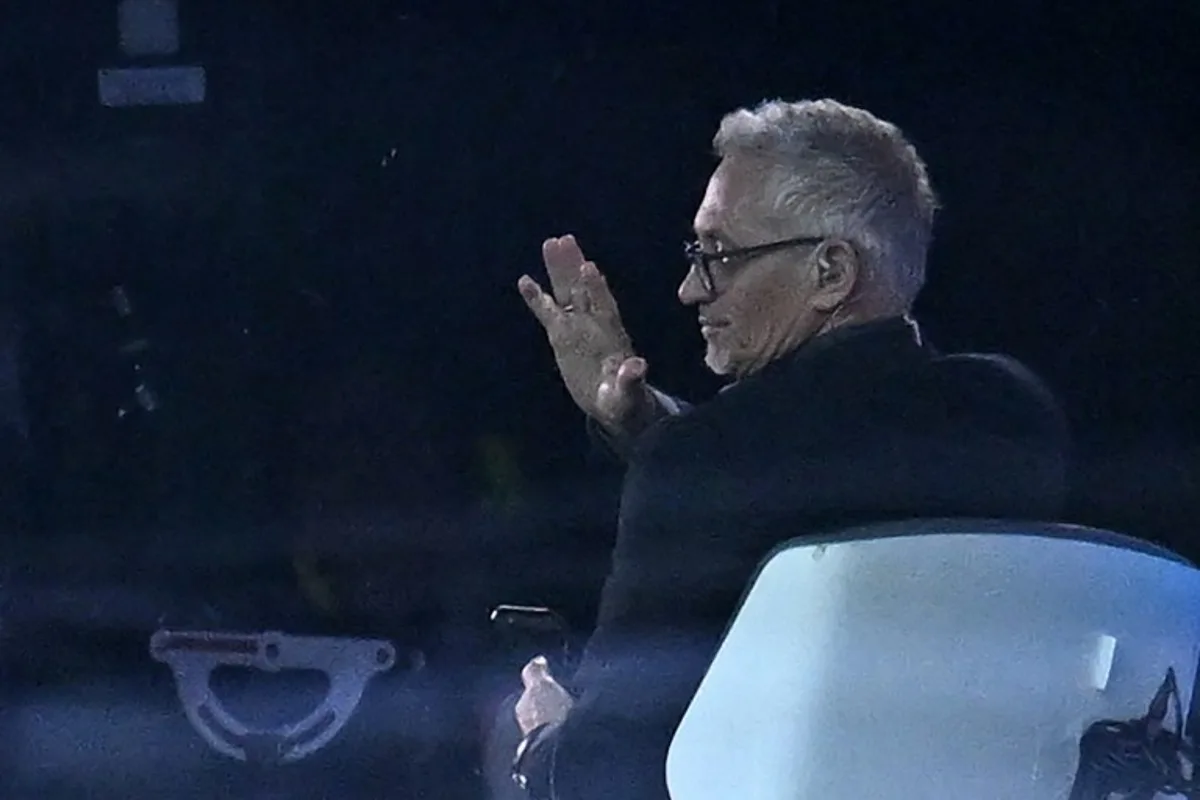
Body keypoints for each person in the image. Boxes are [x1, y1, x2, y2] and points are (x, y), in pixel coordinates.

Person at [497, 98, 1070, 800]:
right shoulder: (1017, 421)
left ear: (831, 273)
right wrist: (650, 427)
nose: (689, 290)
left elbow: (606, 774)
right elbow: (827, 465)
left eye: (719, 256)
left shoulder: (708, 464)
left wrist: (543, 743)